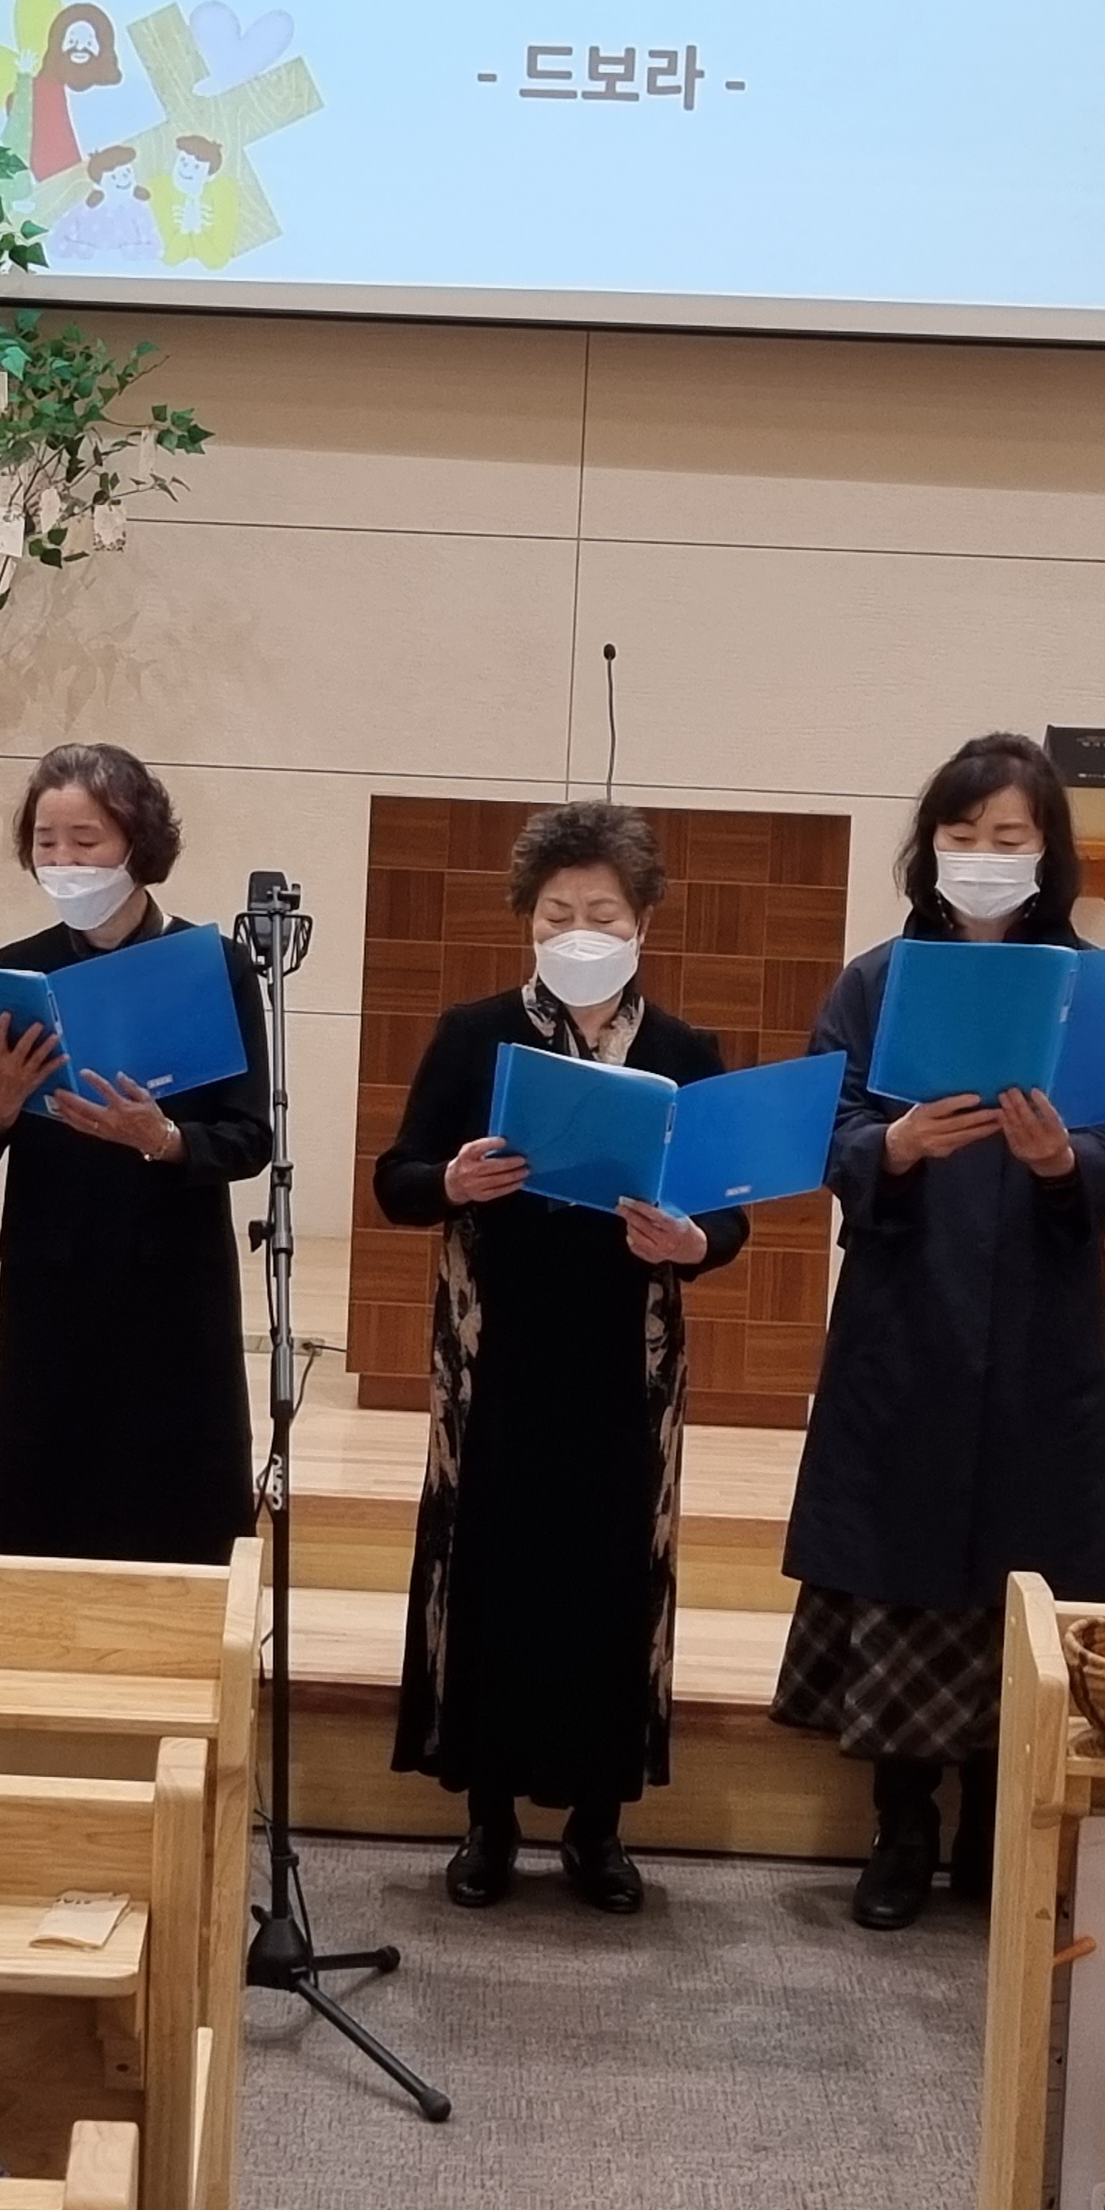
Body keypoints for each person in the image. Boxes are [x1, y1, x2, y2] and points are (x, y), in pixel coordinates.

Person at [778, 733, 1105, 1931]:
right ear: (929, 844)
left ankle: (1000, 1829)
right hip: (909, 1311)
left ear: (1048, 853)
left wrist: (1063, 1161)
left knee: (1025, 1565)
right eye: (962, 833)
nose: (984, 855)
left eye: (1009, 836)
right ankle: (900, 1832)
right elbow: (824, 1119)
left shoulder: (1098, 989)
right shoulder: (878, 979)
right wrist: (888, 1146)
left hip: (1042, 1320)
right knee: (903, 1557)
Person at [370, 802, 745, 1914]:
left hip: (623, 1359)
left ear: (644, 923)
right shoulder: (474, 1034)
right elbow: (398, 1178)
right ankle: (486, 1819)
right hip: (502, 1354)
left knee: (611, 1576)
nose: (580, 932)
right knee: (496, 1567)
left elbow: (727, 1217)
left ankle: (598, 1828)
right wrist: (452, 1179)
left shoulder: (683, 1053)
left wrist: (693, 1241)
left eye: (603, 913)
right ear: (527, 923)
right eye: (556, 914)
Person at [0, 744, 268, 1563]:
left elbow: (248, 1137)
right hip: (51, 1274)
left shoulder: (214, 965)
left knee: (176, 1490)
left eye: (85, 841)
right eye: (46, 842)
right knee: (45, 1491)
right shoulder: (18, 969)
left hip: (172, 1276)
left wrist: (162, 1139)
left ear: (137, 841)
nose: (64, 861)